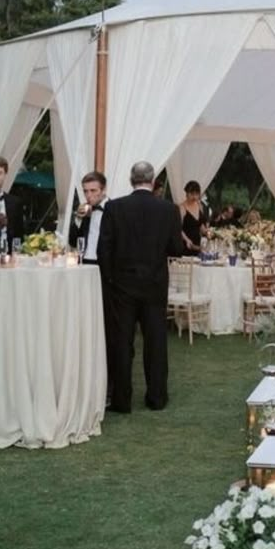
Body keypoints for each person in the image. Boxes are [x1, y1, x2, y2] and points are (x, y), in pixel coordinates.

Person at [97, 161, 183, 413]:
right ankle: (156, 397)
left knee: (122, 342)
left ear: (131, 179)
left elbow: (104, 249)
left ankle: (121, 400)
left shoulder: (114, 207)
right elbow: (176, 249)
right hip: (155, 285)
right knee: (156, 342)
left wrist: (111, 279)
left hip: (122, 286)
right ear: (153, 179)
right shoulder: (168, 210)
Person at [69, 170, 113, 403]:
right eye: (86, 191)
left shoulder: (114, 210)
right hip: (83, 267)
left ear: (103, 190)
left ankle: (107, 384)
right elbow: (71, 239)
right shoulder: (83, 212)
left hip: (105, 272)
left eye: (93, 191)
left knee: (105, 325)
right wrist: (77, 219)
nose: (89, 195)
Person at [0, 155, 25, 250]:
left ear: (5, 174)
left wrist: (17, 255)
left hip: (9, 256)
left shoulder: (15, 203)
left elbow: (19, 234)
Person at [179, 180, 209, 256]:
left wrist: (207, 232)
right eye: (192, 194)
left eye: (197, 194)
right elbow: (178, 228)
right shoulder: (182, 207)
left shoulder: (199, 205)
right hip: (186, 244)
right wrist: (186, 240)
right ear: (186, 193)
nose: (194, 197)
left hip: (197, 245)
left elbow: (201, 225)